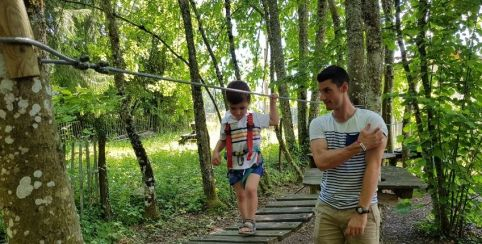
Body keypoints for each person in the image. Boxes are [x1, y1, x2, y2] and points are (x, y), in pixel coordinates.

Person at [309, 65, 387, 244]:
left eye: (327, 91)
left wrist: (361, 211)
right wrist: (359, 145)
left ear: (344, 88)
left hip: (362, 208)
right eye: (320, 92)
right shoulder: (319, 124)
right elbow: (321, 161)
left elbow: (373, 167)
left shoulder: (372, 122)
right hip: (327, 209)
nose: (322, 97)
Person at [212, 80, 279, 236]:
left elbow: (274, 121)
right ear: (228, 105)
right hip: (234, 165)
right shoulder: (227, 120)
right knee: (241, 195)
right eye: (233, 108)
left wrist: (272, 102)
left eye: (242, 107)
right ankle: (245, 221)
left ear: (248, 102)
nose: (238, 112)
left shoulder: (254, 118)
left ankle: (251, 221)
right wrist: (215, 152)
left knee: (250, 189)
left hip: (253, 162)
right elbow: (223, 140)